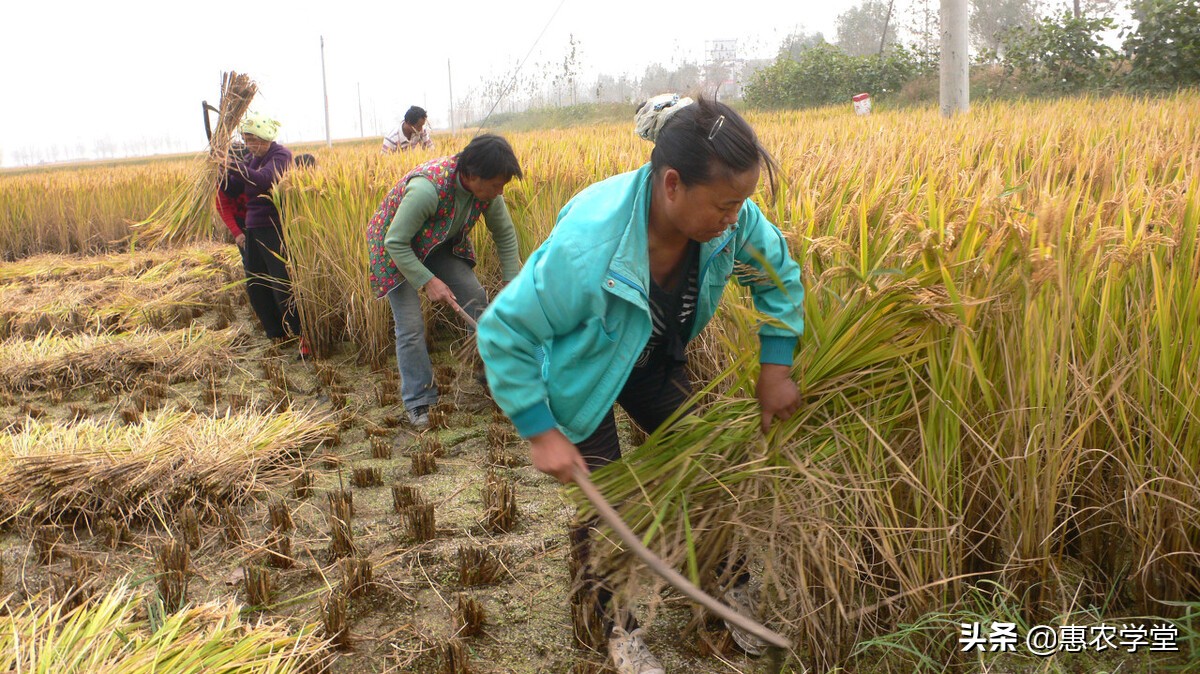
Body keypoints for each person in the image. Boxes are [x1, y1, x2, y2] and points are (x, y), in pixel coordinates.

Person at [476, 95, 805, 674]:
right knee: (606, 501)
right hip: (584, 371)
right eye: (725, 205)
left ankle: (727, 587)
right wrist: (539, 430)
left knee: (710, 463)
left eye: (742, 204)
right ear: (672, 184)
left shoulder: (733, 224)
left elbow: (779, 278)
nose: (736, 217)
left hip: (654, 359)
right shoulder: (587, 249)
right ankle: (618, 631)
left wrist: (775, 368)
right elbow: (505, 332)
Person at [366, 133, 524, 428]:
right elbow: (396, 241)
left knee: (476, 297)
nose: (499, 192)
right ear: (473, 175)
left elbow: (504, 234)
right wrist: (428, 281)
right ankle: (419, 400)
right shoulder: (428, 189)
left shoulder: (487, 194)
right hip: (395, 250)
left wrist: (512, 282)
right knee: (411, 326)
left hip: (435, 244)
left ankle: (486, 373)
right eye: (496, 185)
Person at [225, 111, 308, 358]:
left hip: (274, 228)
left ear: (265, 137)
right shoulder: (252, 158)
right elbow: (238, 186)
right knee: (256, 283)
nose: (250, 146)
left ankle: (302, 333)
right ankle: (276, 333)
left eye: (253, 140)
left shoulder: (280, 155)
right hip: (254, 229)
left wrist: (236, 167)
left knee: (281, 283)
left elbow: (264, 180)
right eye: (247, 140)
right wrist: (223, 171)